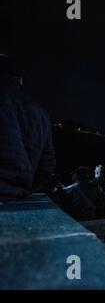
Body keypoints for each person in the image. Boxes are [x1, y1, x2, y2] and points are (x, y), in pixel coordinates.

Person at [0, 54, 56, 201]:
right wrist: (23, 189)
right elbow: (47, 166)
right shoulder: (41, 113)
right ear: (20, 79)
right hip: (16, 196)